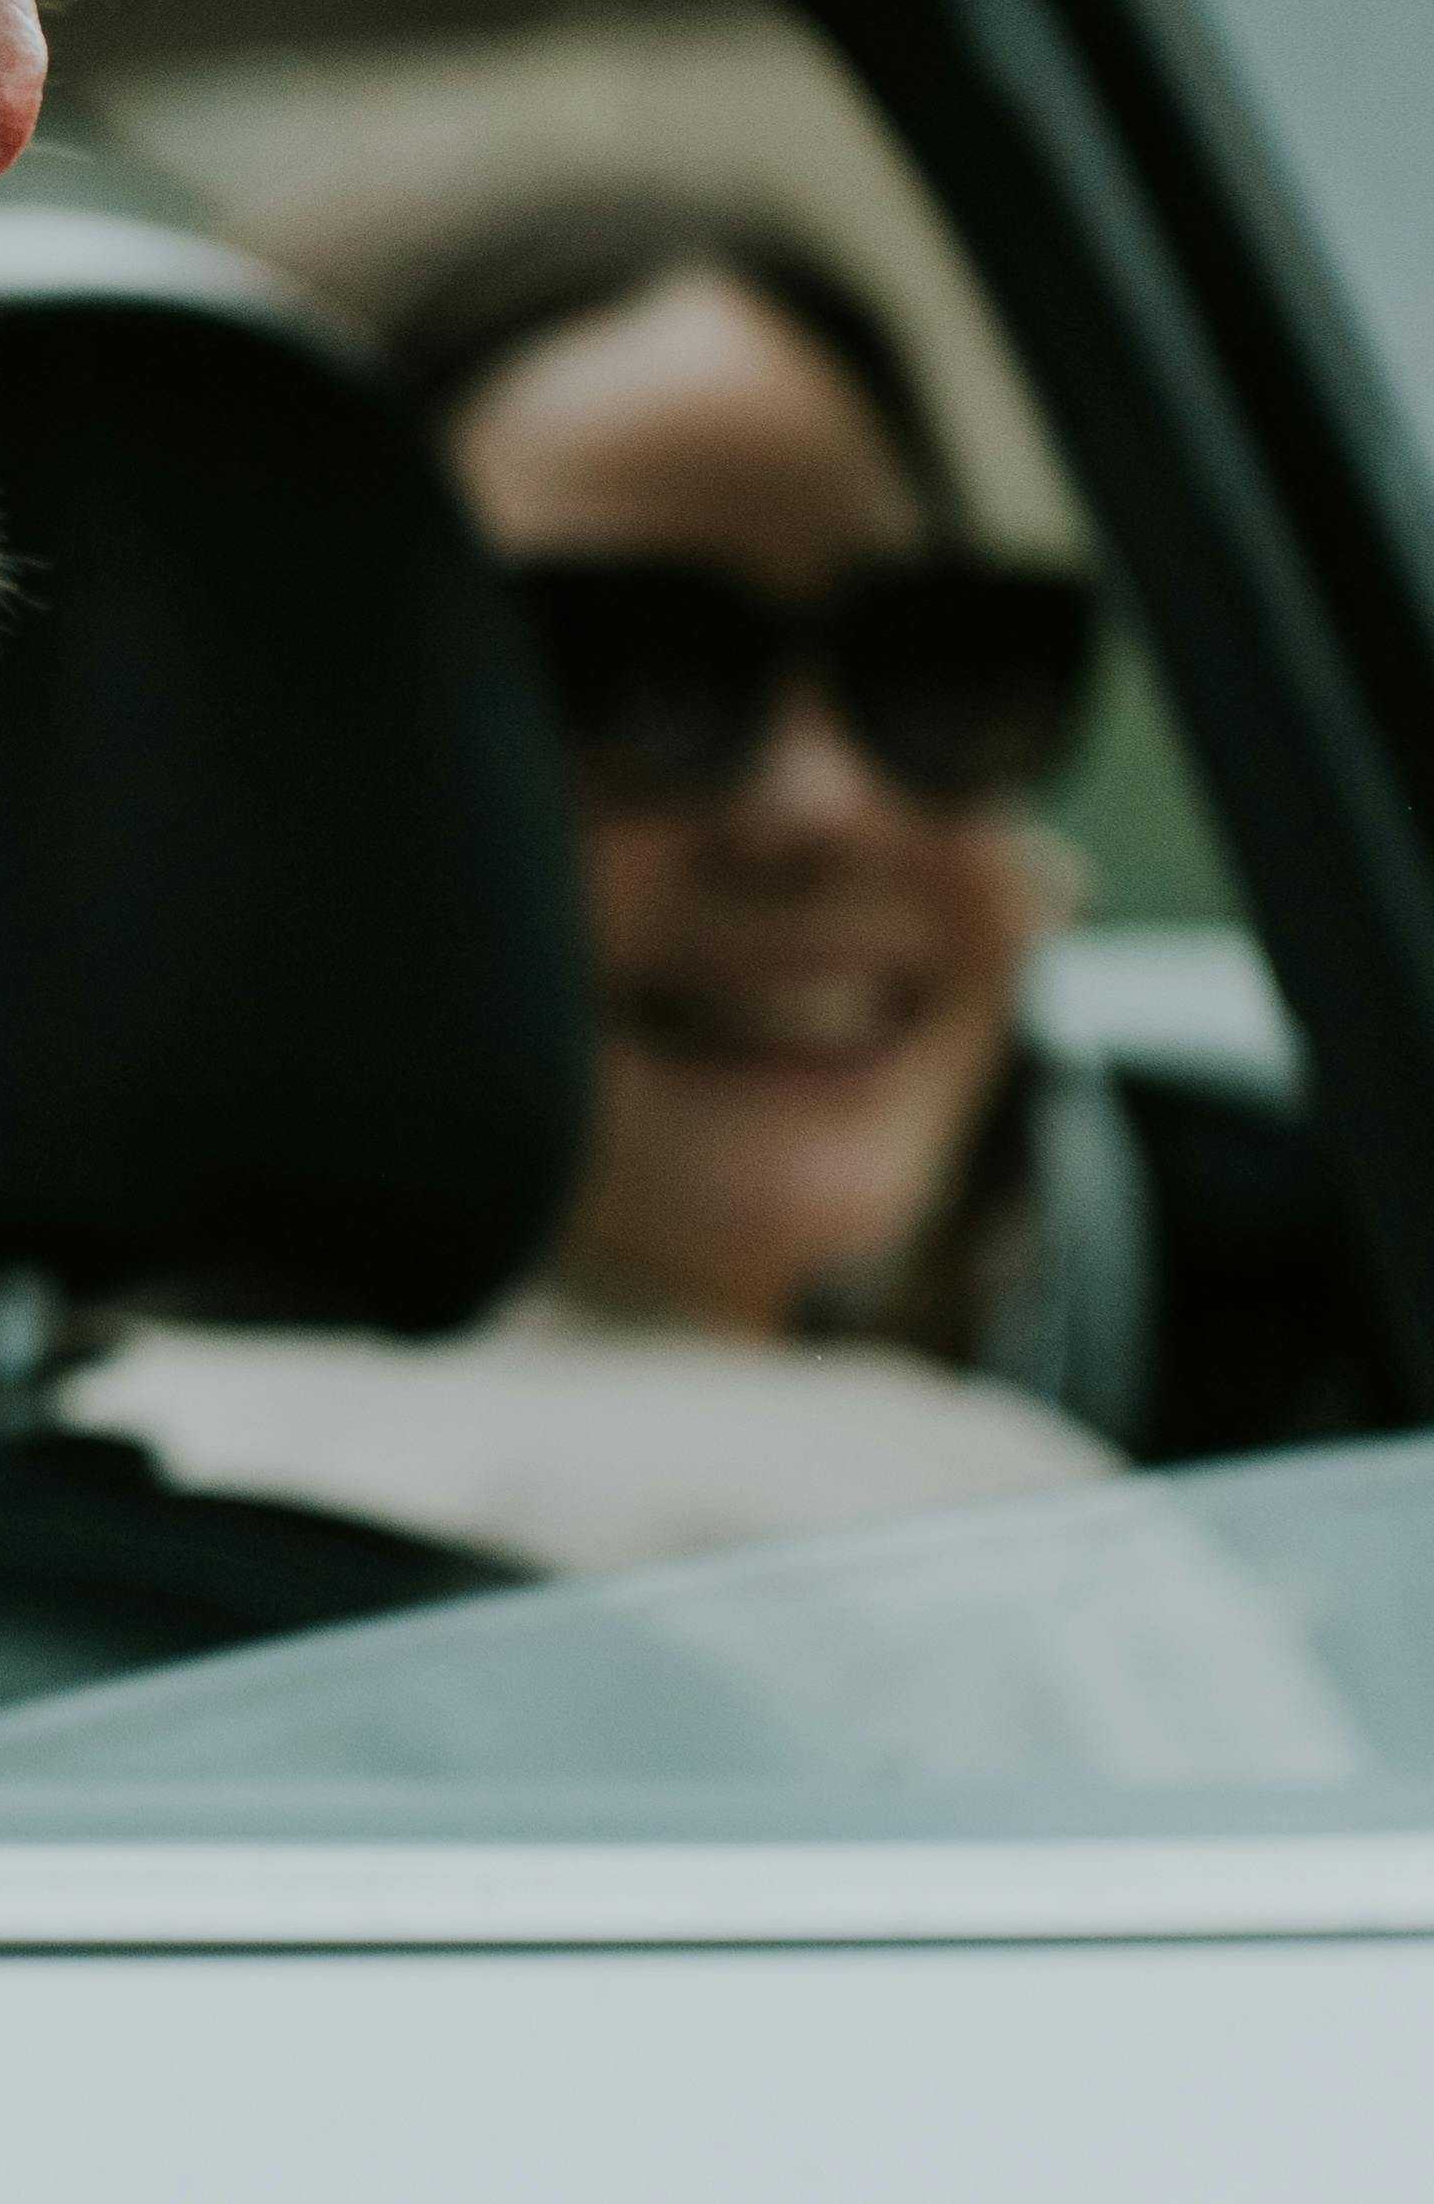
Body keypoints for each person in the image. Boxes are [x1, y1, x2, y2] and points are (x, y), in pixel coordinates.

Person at [58, 207, 1143, 1575]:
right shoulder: (976, 1554)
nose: (825, 806)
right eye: (615, 678)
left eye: (936, 669)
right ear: (239, 798)